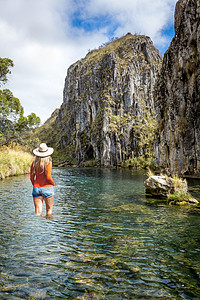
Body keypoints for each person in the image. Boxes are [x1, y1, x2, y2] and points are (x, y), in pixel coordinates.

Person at [30, 143, 55, 217]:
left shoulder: (34, 163)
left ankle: (38, 227)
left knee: (38, 213)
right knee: (49, 211)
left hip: (36, 188)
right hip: (47, 187)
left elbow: (31, 178)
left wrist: (35, 186)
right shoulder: (48, 162)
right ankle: (47, 227)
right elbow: (48, 177)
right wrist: (53, 183)